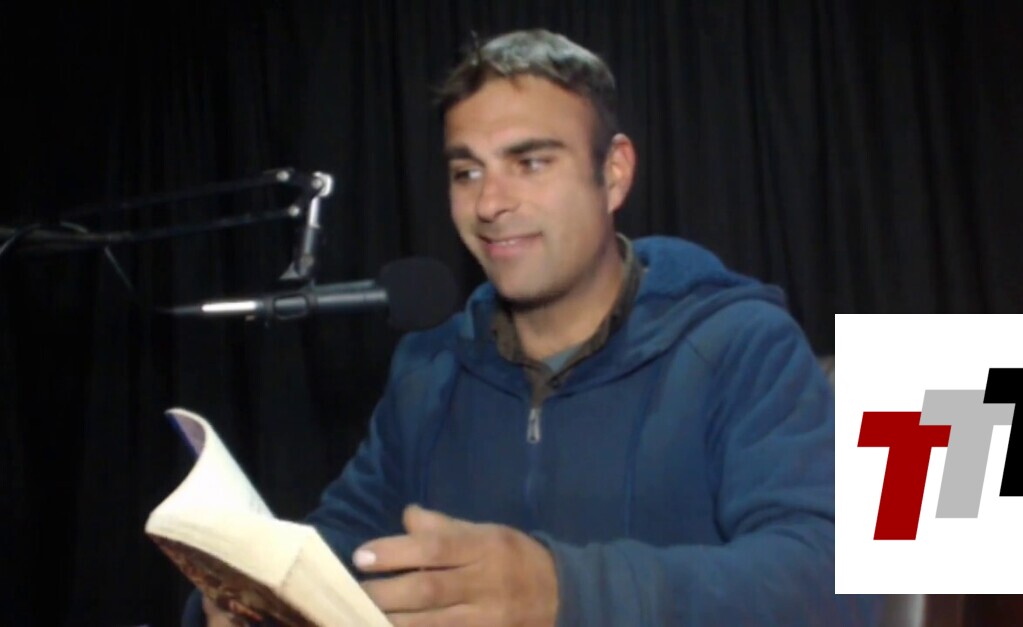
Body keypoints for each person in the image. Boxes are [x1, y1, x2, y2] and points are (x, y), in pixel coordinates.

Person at [189, 28, 879, 626]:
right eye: (467, 171)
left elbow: (833, 580)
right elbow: (349, 542)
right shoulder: (429, 367)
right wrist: (248, 594)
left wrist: (563, 592)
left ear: (613, 174)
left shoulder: (740, 344)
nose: (490, 203)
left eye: (530, 163)